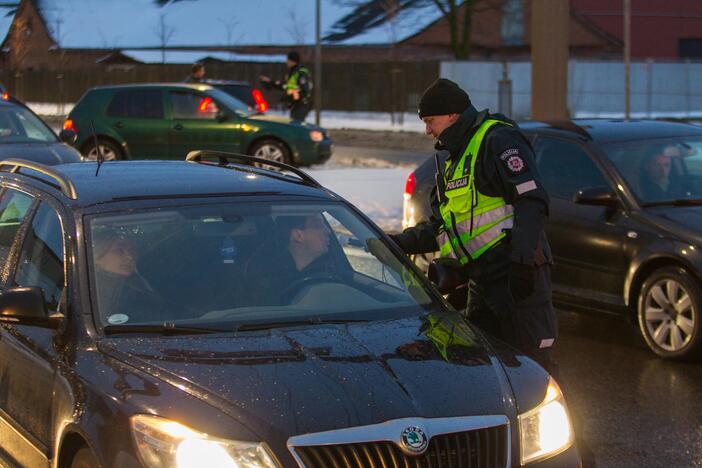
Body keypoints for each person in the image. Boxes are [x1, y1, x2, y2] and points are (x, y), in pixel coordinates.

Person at [388, 78, 558, 374]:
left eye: (430, 120)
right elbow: (443, 229)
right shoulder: (451, 160)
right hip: (481, 283)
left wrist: (521, 260)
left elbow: (531, 200)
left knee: (533, 369)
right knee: (484, 368)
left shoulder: (497, 139)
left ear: (452, 114)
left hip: (515, 278)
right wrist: (396, 243)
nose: (427, 129)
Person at [247, 213, 336, 305]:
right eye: (318, 226)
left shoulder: (331, 272)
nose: (328, 231)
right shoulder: (268, 280)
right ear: (298, 235)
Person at [92, 232, 170, 324]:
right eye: (119, 251)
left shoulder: (142, 281)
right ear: (96, 257)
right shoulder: (93, 291)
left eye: (132, 250)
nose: (130, 257)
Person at [259, 51, 313, 122]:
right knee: (295, 124)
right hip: (295, 104)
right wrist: (271, 83)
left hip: (301, 104)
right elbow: (286, 86)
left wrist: (295, 96)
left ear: (292, 61)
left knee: (296, 125)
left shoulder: (300, 72)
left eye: (288, 60)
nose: (286, 62)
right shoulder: (293, 72)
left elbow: (303, 89)